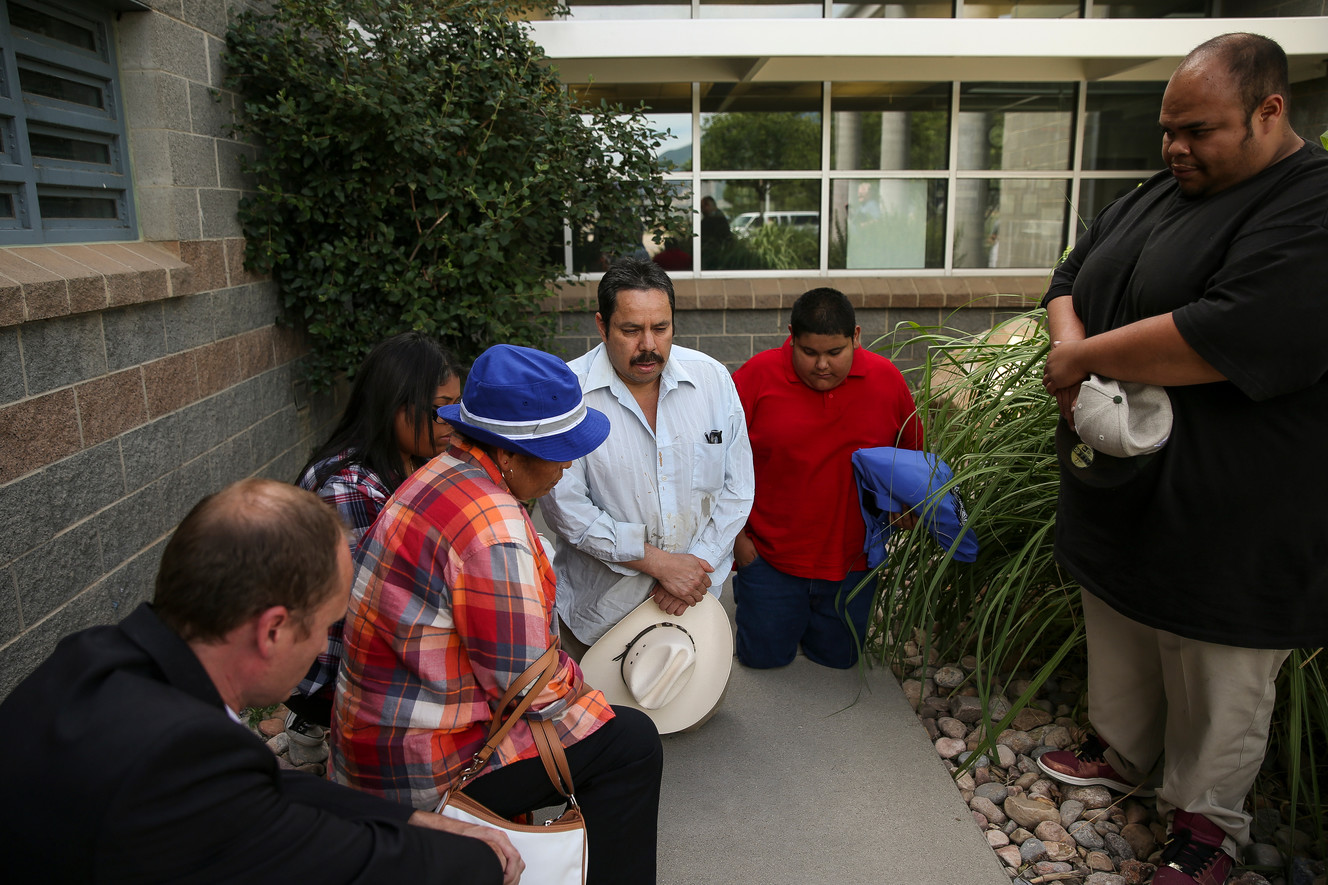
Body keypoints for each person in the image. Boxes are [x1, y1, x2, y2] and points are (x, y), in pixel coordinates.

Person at [1038, 33, 1328, 885]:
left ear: (1270, 110)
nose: (1174, 149)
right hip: (1129, 484)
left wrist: (1087, 360)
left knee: (1219, 663)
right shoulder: (1158, 191)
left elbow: (1223, 333)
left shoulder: (1310, 205)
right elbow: (1070, 275)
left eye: (1197, 130)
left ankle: (1206, 825)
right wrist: (1068, 348)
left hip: (1241, 503)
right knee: (1121, 615)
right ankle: (1122, 751)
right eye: (1168, 130)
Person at [0, 479, 519, 884]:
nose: (322, 648)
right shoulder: (180, 757)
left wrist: (412, 820)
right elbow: (352, 867)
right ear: (272, 629)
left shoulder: (94, 656)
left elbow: (260, 785)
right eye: (322, 627)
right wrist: (478, 859)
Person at [332, 344, 663, 885]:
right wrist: (593, 694)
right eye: (560, 451)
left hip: (371, 747)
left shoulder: (436, 473)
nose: (567, 464)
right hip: (422, 774)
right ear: (511, 454)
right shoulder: (493, 527)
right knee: (630, 743)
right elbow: (534, 690)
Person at [541, 257, 754, 656]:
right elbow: (566, 509)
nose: (649, 346)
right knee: (606, 717)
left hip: (694, 601)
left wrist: (695, 567)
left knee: (690, 712)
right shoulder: (569, 393)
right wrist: (658, 563)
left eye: (661, 328)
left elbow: (738, 487)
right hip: (602, 612)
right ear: (602, 326)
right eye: (631, 330)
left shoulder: (712, 380)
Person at [731, 287, 923, 669]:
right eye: (809, 352)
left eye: (834, 353)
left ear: (856, 336)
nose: (822, 365)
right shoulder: (755, 377)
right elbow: (715, 466)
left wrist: (907, 510)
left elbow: (914, 462)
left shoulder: (887, 380)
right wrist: (737, 541)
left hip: (854, 562)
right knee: (762, 661)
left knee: (839, 662)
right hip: (770, 560)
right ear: (791, 336)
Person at [285, 332, 463, 743]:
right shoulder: (347, 488)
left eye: (457, 407)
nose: (451, 422)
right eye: (440, 410)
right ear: (394, 405)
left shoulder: (409, 463)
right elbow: (387, 609)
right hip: (333, 678)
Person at [699, 195, 732, 269]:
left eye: (703, 207)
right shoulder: (718, 217)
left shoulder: (715, 219)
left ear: (708, 206)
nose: (702, 210)